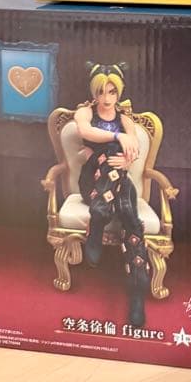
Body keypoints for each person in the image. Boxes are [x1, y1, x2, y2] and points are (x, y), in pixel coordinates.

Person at [74, 62, 150, 328]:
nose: (106, 98)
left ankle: (137, 291)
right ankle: (97, 219)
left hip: (119, 181)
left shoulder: (125, 119)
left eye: (112, 92)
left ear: (119, 92)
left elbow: (134, 149)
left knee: (129, 213)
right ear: (93, 92)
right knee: (107, 162)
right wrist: (117, 139)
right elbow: (85, 132)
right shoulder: (85, 112)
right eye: (101, 92)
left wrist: (127, 160)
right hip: (92, 181)